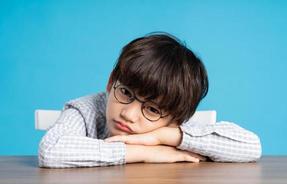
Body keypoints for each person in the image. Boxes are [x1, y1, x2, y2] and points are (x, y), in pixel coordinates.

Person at [38, 32, 262, 168]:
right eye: (125, 93)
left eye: (152, 110)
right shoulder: (86, 109)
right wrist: (146, 153)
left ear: (175, 119)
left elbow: (251, 146)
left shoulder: (173, 126)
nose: (129, 114)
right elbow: (51, 151)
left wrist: (162, 137)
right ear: (110, 82)